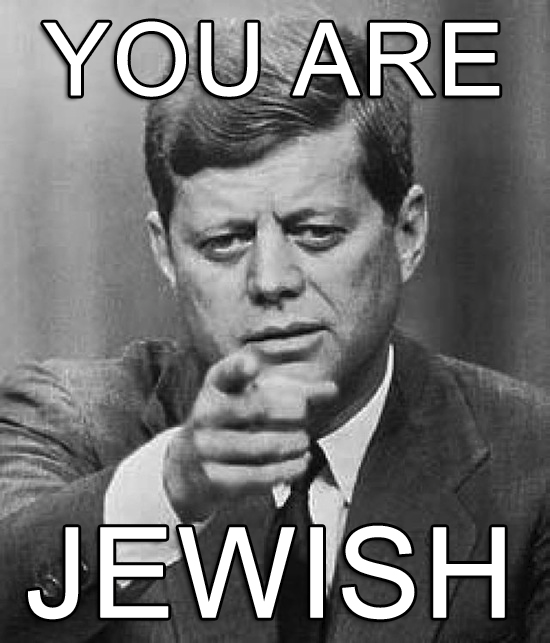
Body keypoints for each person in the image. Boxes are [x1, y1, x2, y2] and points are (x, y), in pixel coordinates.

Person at [0, 17, 549, 643]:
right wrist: (170, 489)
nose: (270, 279)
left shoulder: (533, 461)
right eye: (224, 241)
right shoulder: (68, 422)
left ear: (407, 234)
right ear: (165, 253)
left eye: (316, 233)